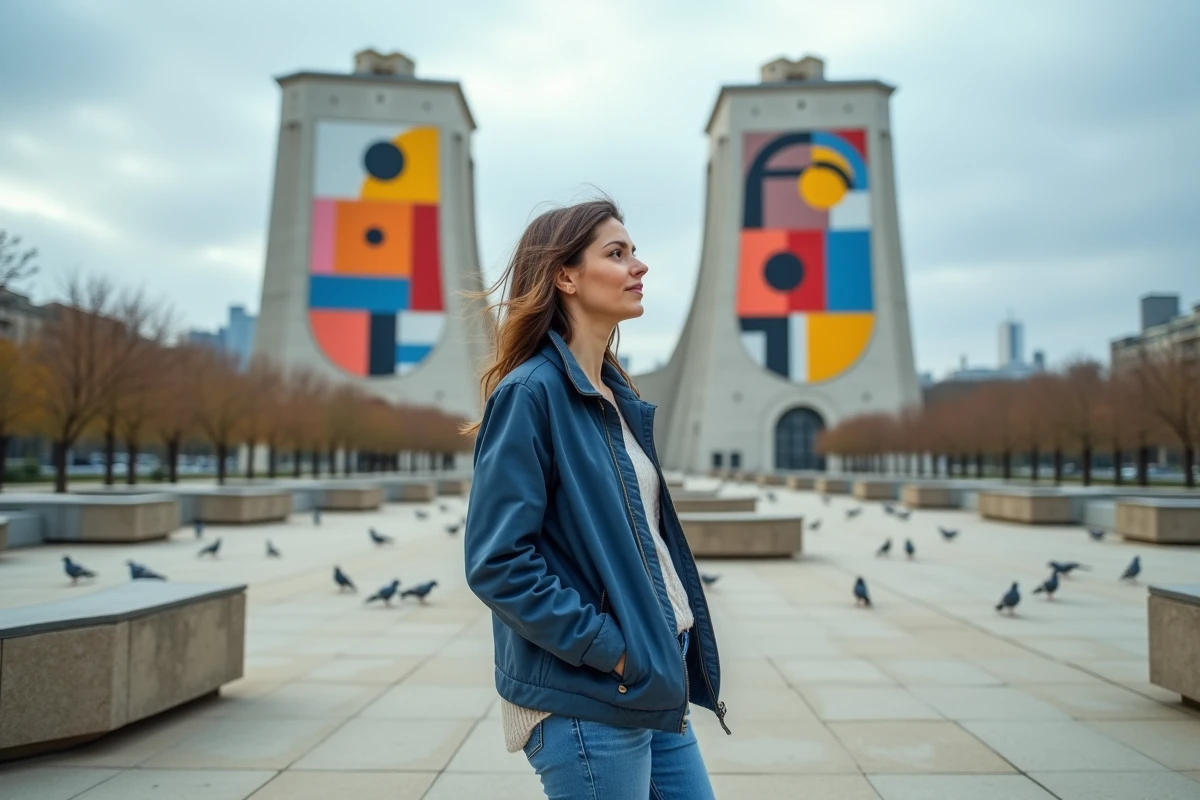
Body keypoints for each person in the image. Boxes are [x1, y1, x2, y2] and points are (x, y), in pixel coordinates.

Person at [463, 197, 728, 799]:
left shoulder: (613, 396)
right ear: (565, 275)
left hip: (649, 677)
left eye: (634, 251)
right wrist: (611, 651)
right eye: (617, 253)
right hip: (590, 694)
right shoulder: (531, 393)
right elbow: (497, 562)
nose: (639, 267)